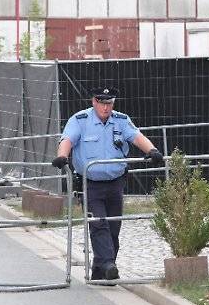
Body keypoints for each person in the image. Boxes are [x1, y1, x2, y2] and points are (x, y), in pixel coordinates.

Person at [52, 87, 163, 282]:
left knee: (113, 227)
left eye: (109, 103)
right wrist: (62, 156)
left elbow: (136, 137)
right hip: (91, 184)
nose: (106, 107)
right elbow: (67, 139)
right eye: (102, 103)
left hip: (115, 183)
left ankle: (100, 272)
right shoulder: (80, 120)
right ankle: (109, 264)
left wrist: (152, 150)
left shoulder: (120, 120)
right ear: (94, 102)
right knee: (98, 224)